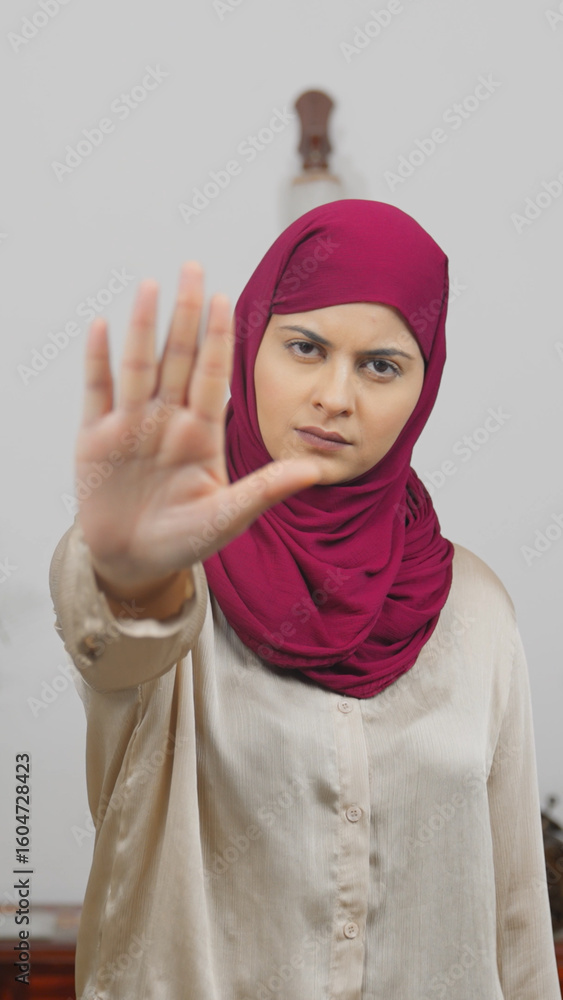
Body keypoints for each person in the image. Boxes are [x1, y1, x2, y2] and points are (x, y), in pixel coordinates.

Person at [49, 200, 560, 1000]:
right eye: (305, 348)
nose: (335, 396)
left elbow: (517, 922)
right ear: (252, 344)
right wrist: (127, 574)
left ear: (424, 386)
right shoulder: (169, 565)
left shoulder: (475, 607)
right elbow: (116, 641)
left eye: (380, 366)